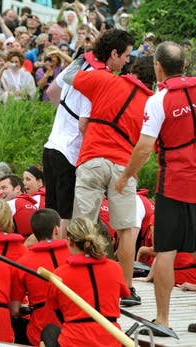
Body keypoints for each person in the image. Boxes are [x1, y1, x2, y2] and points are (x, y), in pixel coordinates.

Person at [115, 41, 196, 332]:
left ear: (158, 67)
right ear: (185, 66)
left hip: (176, 183)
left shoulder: (158, 100)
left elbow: (144, 147)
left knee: (166, 250)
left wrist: (125, 176)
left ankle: (162, 319)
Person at [66, 48, 155, 306]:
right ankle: (126, 289)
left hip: (92, 158)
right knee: (126, 229)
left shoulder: (107, 79)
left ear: (132, 70)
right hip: (123, 167)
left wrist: (84, 56)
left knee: (82, 223)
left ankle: (78, 283)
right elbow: (149, 148)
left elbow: (69, 77)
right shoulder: (151, 103)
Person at [43, 29, 130, 238]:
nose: (127, 62)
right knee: (66, 217)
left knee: (51, 213)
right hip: (70, 153)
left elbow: (52, 91)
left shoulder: (80, 65)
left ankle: (48, 256)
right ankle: (63, 264)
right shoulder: (99, 79)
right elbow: (84, 124)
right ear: (114, 54)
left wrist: (64, 118)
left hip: (52, 146)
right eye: (126, 56)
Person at [40, 217, 129, 347]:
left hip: (75, 341)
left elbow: (56, 309)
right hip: (111, 339)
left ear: (69, 242)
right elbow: (124, 294)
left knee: (50, 331)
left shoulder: (60, 274)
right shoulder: (114, 267)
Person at [11, 208, 69, 346]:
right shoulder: (73, 254)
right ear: (56, 230)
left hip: (39, 333)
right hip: (76, 330)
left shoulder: (22, 263)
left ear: (34, 233)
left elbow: (14, 309)